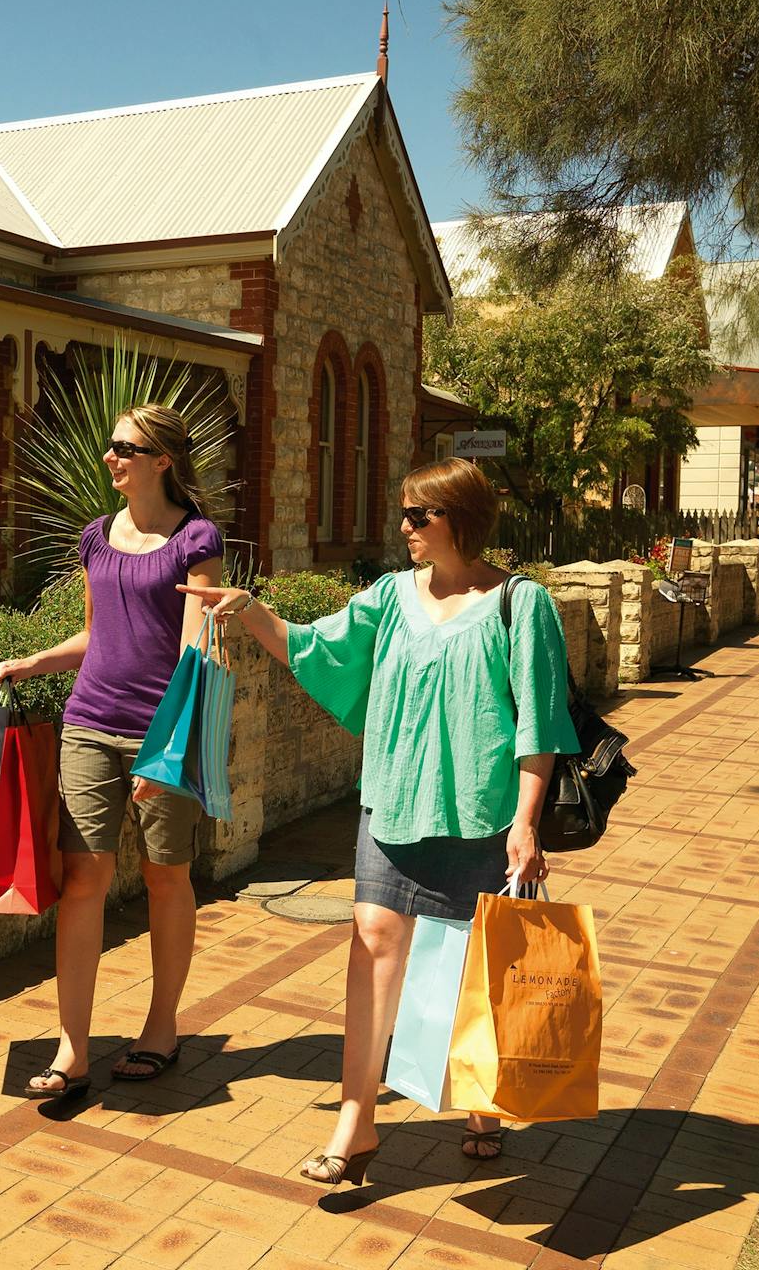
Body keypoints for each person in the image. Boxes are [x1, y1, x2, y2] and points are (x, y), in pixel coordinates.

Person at [180, 457, 577, 1183]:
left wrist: (526, 821)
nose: (403, 528)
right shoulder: (390, 597)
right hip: (393, 802)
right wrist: (247, 608)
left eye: (417, 516)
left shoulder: (523, 604)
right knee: (373, 945)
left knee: (468, 967)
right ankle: (355, 1122)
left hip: (480, 814)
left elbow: (539, 724)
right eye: (403, 513)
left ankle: (481, 1100)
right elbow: (315, 646)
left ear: (458, 517)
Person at [0, 403, 225, 1102]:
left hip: (161, 733)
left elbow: (196, 650)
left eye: (124, 447)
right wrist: (35, 662)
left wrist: (168, 753)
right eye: (109, 446)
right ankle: (72, 1047)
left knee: (165, 878)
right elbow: (97, 637)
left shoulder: (197, 540)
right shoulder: (95, 538)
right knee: (82, 879)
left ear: (162, 460)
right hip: (89, 724)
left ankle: (161, 1028)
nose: (110, 458)